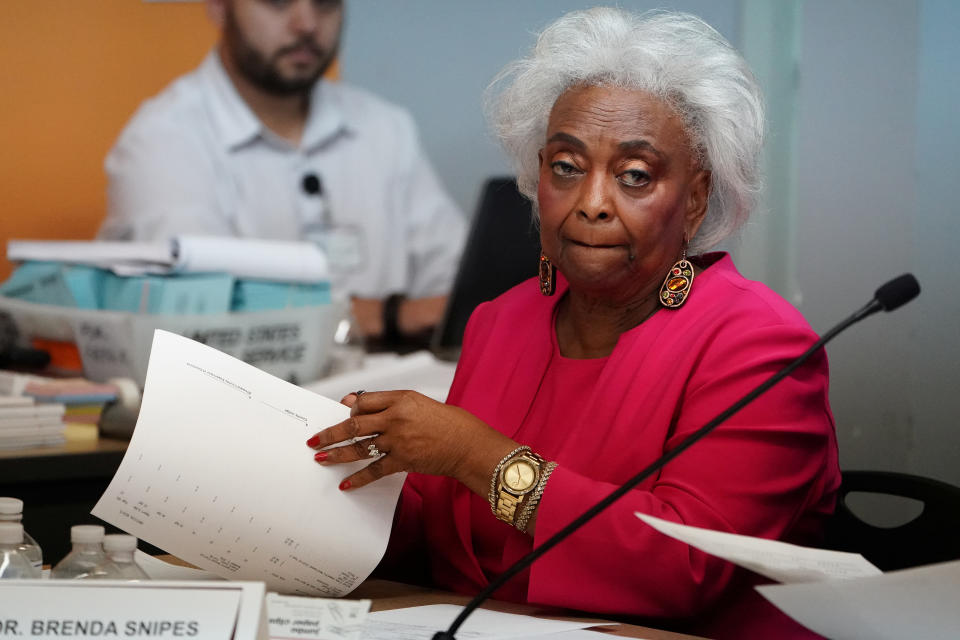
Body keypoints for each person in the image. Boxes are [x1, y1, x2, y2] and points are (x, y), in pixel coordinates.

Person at [306, 8, 839, 639]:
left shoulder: (760, 348)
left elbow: (688, 569)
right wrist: (318, 490)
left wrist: (476, 456)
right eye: (566, 166)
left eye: (634, 176)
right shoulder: (502, 320)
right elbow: (442, 534)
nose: (590, 202)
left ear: (694, 197)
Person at [97, 0, 466, 347]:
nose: (306, 24)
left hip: (393, 391)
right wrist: (388, 316)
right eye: (277, 0)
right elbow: (204, 317)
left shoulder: (386, 128)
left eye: (325, 1)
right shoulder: (161, 140)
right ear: (218, 6)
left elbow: (460, 285)